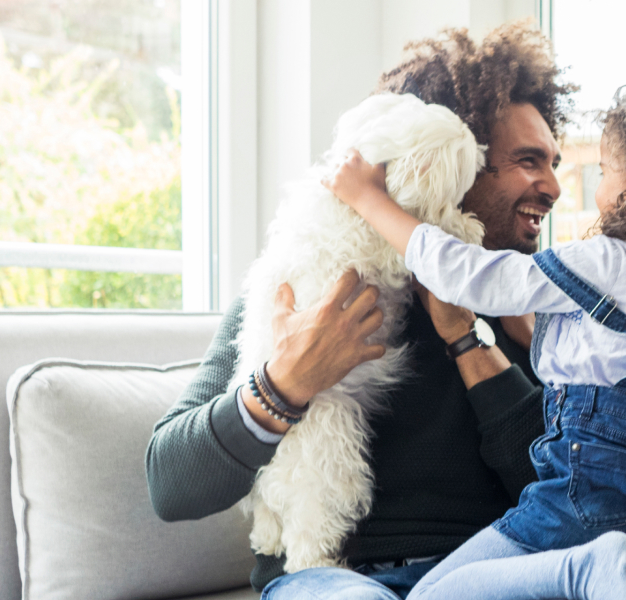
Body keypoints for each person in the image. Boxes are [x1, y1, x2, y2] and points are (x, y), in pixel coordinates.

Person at [144, 22, 577, 600]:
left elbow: (564, 494)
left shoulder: (533, 309)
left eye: (552, 162)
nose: (553, 186)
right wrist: (286, 382)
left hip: (475, 572)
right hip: (327, 579)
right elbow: (171, 483)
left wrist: (467, 339)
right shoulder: (300, 286)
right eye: (528, 161)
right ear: (449, 161)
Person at [325, 79, 626, 600]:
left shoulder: (606, 260)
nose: (580, 187)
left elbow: (467, 274)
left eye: (604, 171)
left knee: (430, 596)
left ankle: (579, 570)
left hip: (580, 503)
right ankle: (591, 569)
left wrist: (368, 197)